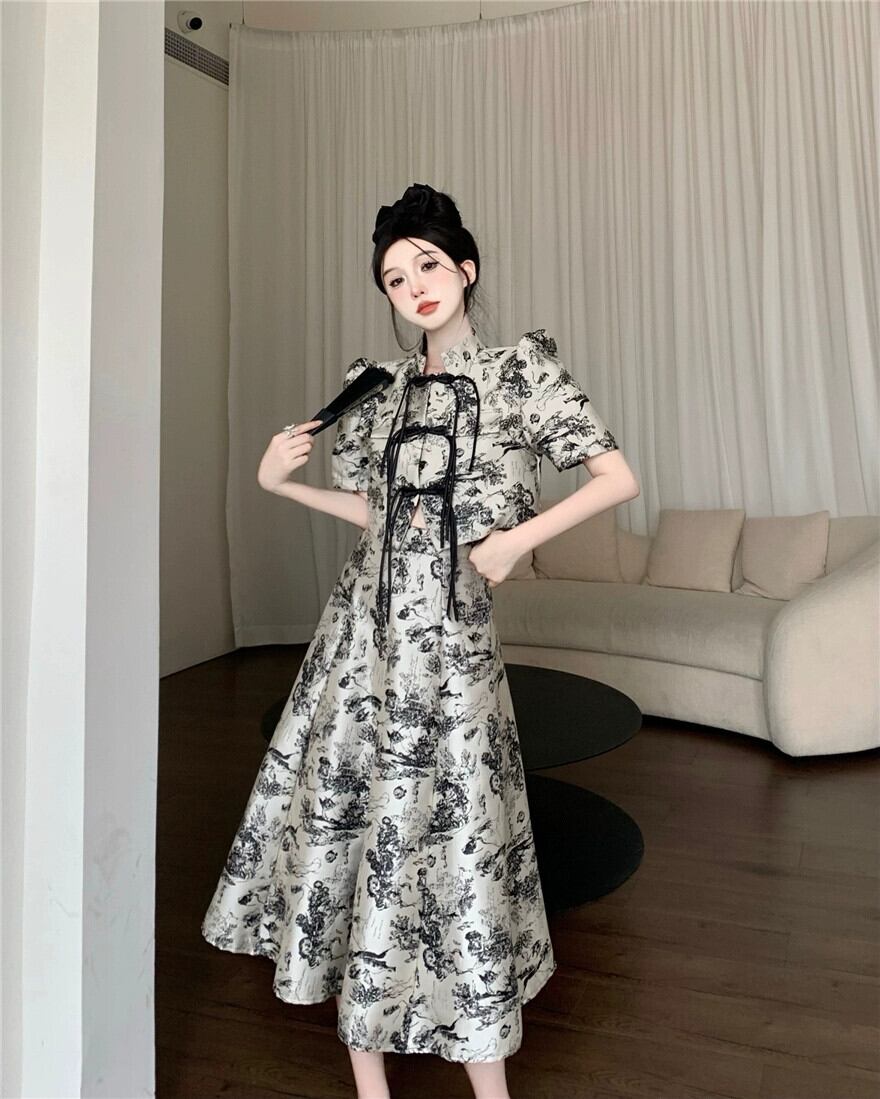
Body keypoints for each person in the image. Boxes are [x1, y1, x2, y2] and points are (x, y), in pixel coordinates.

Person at [201, 183, 639, 1099]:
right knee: (352, 832)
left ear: (466, 268)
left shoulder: (519, 374)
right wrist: (282, 485)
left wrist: (517, 540)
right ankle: (370, 1083)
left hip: (454, 647)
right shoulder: (379, 388)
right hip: (358, 642)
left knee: (461, 843)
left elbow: (615, 476)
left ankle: (489, 1086)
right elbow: (378, 513)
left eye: (428, 265)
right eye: (395, 278)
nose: (414, 287)